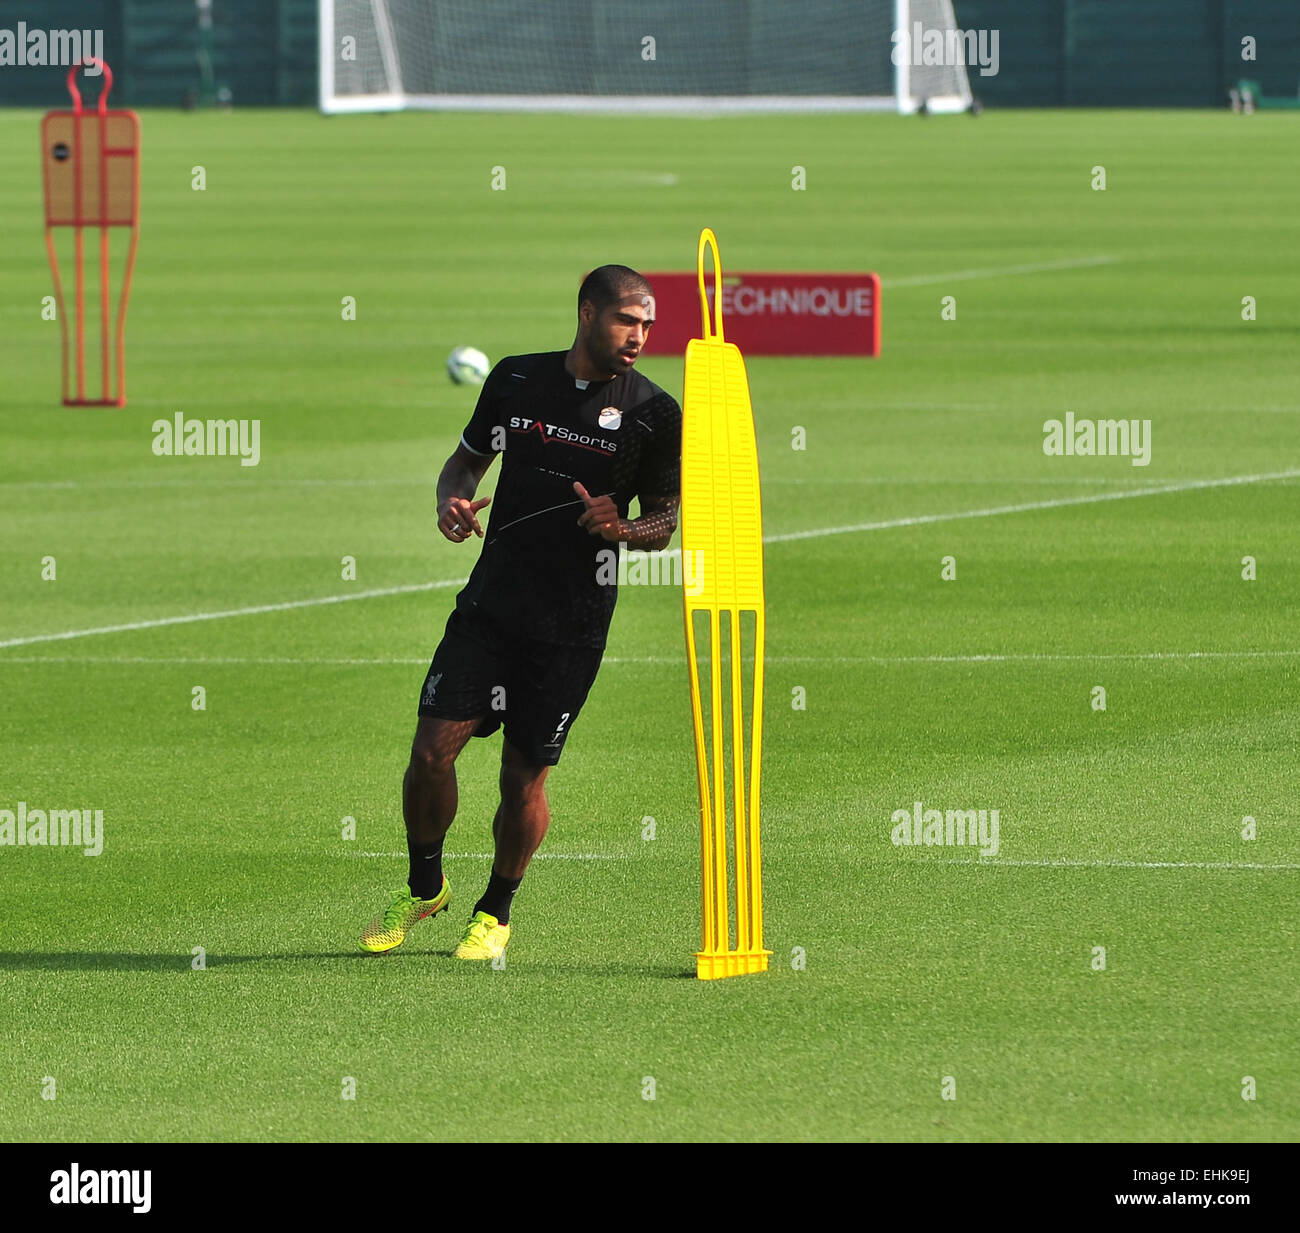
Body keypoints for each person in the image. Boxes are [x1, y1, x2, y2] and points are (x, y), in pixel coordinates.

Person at [360, 265, 682, 961]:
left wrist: (620, 529)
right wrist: (450, 499)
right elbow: (465, 463)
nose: (641, 336)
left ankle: (495, 910)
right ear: (588, 311)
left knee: (522, 777)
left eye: (649, 325)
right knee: (428, 752)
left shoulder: (654, 411)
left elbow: (665, 519)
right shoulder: (514, 380)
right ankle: (425, 886)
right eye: (629, 319)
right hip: (490, 606)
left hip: (571, 625)